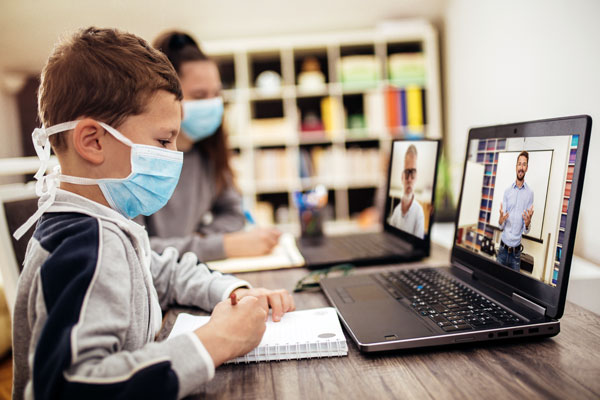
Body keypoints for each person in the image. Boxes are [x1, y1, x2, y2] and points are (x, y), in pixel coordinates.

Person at [11, 27, 295, 400]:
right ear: (93, 141)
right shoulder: (85, 246)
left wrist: (232, 290)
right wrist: (216, 340)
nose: (174, 155)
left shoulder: (105, 226)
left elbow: (161, 270)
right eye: (163, 140)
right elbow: (69, 387)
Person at [138, 31, 280, 261]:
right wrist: (222, 246)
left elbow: (233, 215)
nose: (212, 104)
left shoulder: (209, 153)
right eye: (199, 95)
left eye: (216, 94)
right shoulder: (138, 160)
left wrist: (202, 241)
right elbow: (138, 250)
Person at [496, 151, 534, 271]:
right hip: (502, 251)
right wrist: (500, 220)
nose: (521, 167)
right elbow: (501, 225)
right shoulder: (507, 191)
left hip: (516, 255)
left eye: (524, 164)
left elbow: (526, 230)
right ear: (516, 167)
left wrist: (527, 224)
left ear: (527, 168)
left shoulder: (530, 194)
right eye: (519, 164)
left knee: (513, 288)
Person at [389, 144, 425, 239]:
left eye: (413, 173)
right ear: (402, 177)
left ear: (416, 177)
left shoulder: (419, 213)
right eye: (406, 173)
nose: (409, 179)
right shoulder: (396, 212)